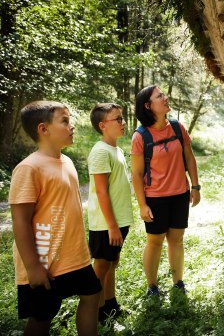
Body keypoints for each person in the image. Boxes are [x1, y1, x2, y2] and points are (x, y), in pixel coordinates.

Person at [9, 100, 101, 336]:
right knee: (42, 317)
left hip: (74, 258)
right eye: (65, 121)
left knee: (92, 295)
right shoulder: (29, 168)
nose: (72, 126)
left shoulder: (67, 162)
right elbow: (20, 221)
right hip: (45, 261)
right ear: (43, 129)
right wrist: (33, 267)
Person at [131, 85, 201, 296]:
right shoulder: (140, 136)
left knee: (177, 240)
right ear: (148, 105)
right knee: (154, 242)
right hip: (155, 198)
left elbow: (189, 158)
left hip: (180, 195)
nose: (165, 97)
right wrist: (142, 205)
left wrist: (195, 186)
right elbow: (136, 174)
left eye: (164, 94)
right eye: (159, 96)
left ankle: (178, 282)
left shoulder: (178, 128)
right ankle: (152, 286)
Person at [87, 103, 133, 322]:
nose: (123, 123)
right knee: (102, 266)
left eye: (122, 118)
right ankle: (92, 311)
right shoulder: (99, 152)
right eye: (118, 119)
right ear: (103, 125)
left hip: (118, 220)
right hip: (106, 224)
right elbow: (101, 192)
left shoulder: (117, 150)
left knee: (112, 262)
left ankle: (109, 305)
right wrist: (112, 226)